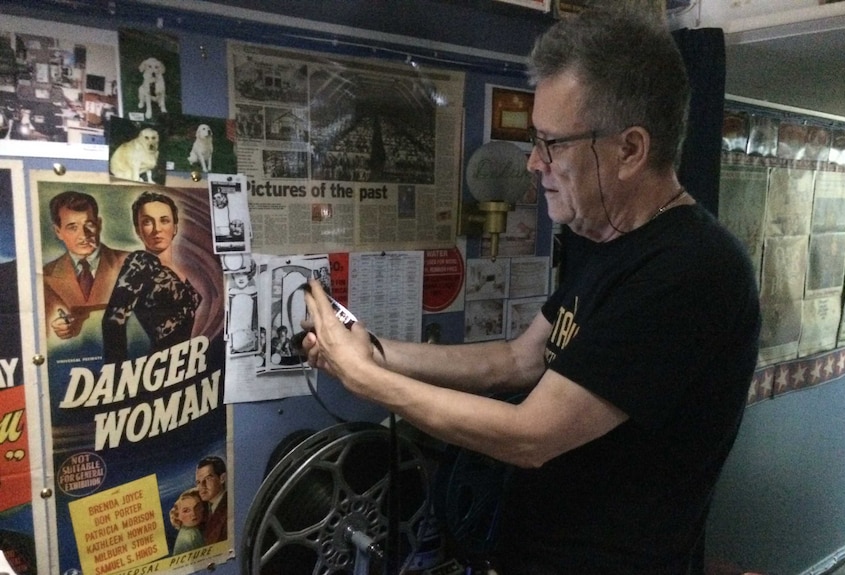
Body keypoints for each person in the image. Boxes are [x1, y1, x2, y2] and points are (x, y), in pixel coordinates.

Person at [301, 6, 761, 575]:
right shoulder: (605, 238)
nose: (534, 163)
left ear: (631, 150)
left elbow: (531, 435)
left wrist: (366, 379)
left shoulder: (691, 270)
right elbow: (518, 359)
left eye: (552, 143)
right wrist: (377, 350)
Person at [102, 191, 201, 363]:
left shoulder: (181, 271)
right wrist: (118, 379)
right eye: (147, 222)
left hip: (187, 366)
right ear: (138, 230)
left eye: (164, 220)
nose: (157, 229)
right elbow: (112, 322)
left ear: (175, 227)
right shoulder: (140, 262)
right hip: (160, 370)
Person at [43, 191, 129, 340]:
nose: (83, 235)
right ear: (58, 232)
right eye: (72, 227)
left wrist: (83, 319)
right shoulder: (45, 275)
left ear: (99, 224)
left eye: (89, 225)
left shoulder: (132, 262)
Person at [195, 456, 228, 545]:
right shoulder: (204, 510)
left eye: (208, 479)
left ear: (222, 478)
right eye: (198, 482)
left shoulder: (229, 508)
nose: (202, 486)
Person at [169, 488, 207, 555]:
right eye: (186, 511)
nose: (193, 513)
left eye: (197, 508)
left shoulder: (194, 530)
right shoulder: (189, 537)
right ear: (178, 515)